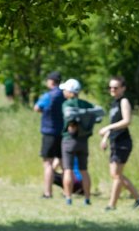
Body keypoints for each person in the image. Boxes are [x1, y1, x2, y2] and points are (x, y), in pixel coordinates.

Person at [98, 76, 139, 210]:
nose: (112, 89)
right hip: (115, 141)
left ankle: (112, 205)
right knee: (115, 175)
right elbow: (114, 124)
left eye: (116, 87)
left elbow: (127, 121)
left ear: (123, 88)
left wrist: (107, 128)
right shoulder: (114, 103)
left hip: (123, 142)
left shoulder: (124, 101)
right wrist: (105, 138)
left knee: (116, 175)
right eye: (110, 87)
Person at [59, 78, 103, 206]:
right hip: (84, 141)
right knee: (84, 170)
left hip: (69, 140)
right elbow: (98, 114)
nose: (64, 92)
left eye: (65, 90)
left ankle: (68, 198)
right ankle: (87, 199)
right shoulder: (86, 104)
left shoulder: (66, 104)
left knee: (68, 170)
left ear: (70, 91)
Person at [33, 71, 65, 199]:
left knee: (48, 164)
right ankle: (66, 191)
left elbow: (37, 108)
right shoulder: (64, 95)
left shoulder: (48, 96)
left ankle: (48, 192)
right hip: (63, 132)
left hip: (49, 132)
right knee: (64, 164)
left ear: (51, 81)